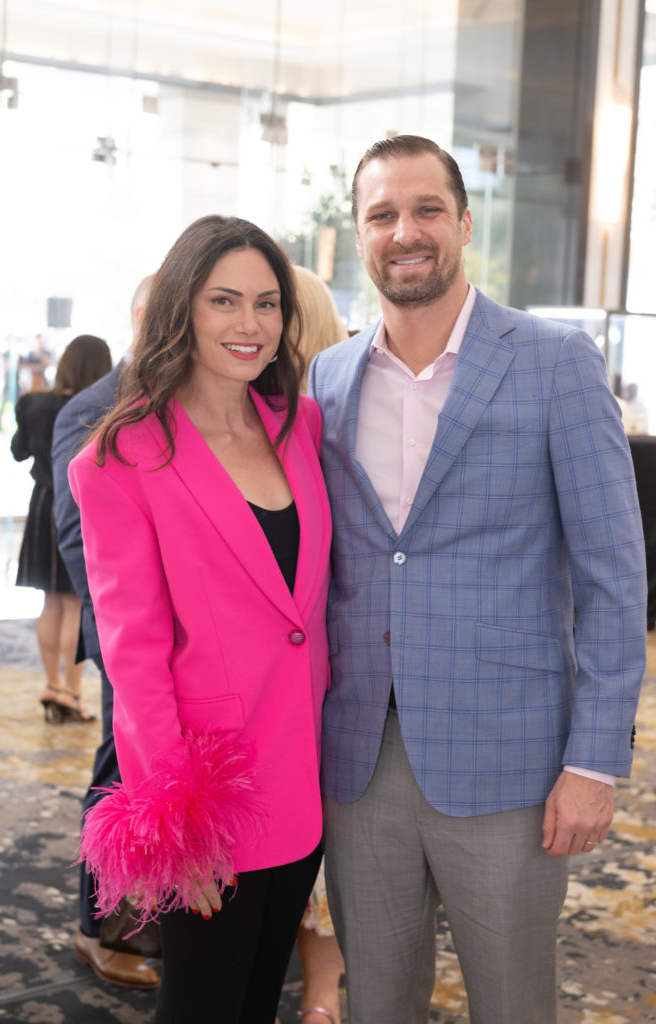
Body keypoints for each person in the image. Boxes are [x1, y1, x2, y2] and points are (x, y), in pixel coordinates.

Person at [307, 135, 647, 1024]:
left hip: (511, 760)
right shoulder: (328, 376)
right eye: (381, 214)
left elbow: (615, 576)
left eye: (425, 210)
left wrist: (593, 761)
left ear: (462, 223)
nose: (404, 231)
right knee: (376, 998)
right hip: (357, 755)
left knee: (511, 1002)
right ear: (358, 236)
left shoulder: (554, 362)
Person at [68, 215, 332, 1024]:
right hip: (210, 789)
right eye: (224, 301)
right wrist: (178, 828)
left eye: (265, 304)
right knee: (204, 1007)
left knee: (260, 1000)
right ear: (183, 307)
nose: (248, 325)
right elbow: (134, 657)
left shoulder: (301, 426)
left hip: (303, 770)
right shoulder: (120, 457)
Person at [52, 275, 159, 990]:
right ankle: (99, 928)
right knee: (118, 772)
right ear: (139, 318)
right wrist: (133, 623)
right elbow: (75, 537)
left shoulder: (185, 401)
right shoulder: (93, 409)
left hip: (186, 640)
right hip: (127, 633)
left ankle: (150, 915)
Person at [291, 266, 346, 1024]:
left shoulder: (314, 417)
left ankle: (318, 995)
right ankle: (322, 997)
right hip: (344, 664)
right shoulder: (335, 406)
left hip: (326, 668)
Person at [11, 333, 112, 722]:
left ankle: (51, 684)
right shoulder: (96, 405)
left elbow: (19, 452)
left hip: (41, 505)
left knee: (49, 600)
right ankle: (71, 692)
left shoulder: (34, 403)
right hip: (79, 504)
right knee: (74, 602)